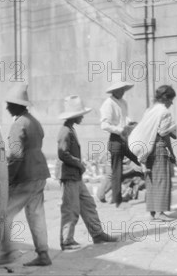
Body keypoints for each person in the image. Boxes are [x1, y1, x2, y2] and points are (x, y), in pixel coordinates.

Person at [0, 84, 51, 267]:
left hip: (26, 175)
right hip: (40, 172)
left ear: (17, 105)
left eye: (10, 104)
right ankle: (43, 254)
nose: (7, 108)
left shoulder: (18, 124)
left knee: (5, 214)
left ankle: (7, 252)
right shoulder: (33, 121)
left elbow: (17, 155)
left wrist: (8, 179)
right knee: (36, 214)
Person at [57, 95, 118, 250]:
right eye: (80, 115)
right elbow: (62, 153)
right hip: (69, 176)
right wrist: (78, 163)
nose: (82, 117)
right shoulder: (65, 131)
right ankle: (66, 240)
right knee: (71, 208)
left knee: (88, 204)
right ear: (75, 116)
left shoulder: (70, 129)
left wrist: (79, 164)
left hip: (75, 175)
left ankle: (97, 234)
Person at [128, 85, 177, 222]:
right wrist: (171, 153)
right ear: (166, 98)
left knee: (151, 180)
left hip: (147, 148)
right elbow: (164, 134)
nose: (171, 103)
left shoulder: (150, 110)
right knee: (162, 180)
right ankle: (160, 212)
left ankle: (152, 211)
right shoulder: (164, 112)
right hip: (159, 148)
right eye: (171, 100)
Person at [100, 81, 141, 206]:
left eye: (124, 89)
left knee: (139, 158)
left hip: (125, 138)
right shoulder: (108, 104)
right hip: (115, 139)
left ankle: (141, 180)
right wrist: (120, 129)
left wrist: (130, 123)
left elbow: (124, 118)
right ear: (114, 90)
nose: (123, 92)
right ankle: (116, 199)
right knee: (116, 169)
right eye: (120, 89)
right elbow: (104, 124)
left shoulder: (123, 102)